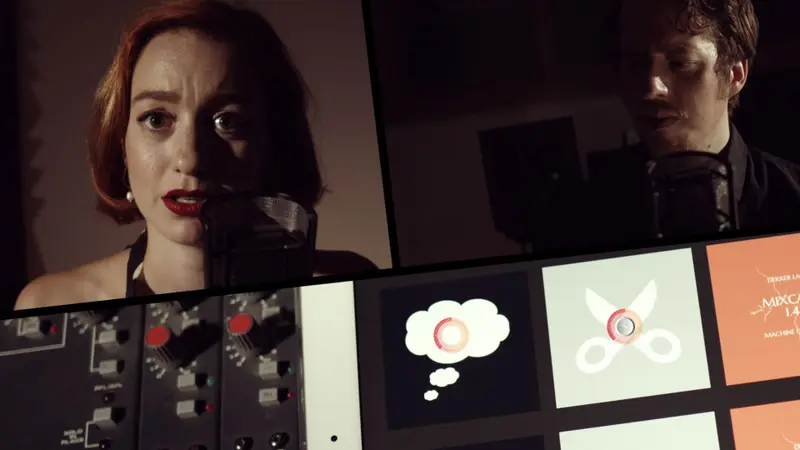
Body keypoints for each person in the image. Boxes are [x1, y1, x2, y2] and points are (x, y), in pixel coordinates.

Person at [16, 0, 378, 310]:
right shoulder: (48, 305)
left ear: (272, 144)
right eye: (156, 119)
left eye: (227, 121)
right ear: (120, 145)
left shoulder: (345, 288)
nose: (189, 159)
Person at [555, 0, 800, 251]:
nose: (651, 89)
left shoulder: (792, 201)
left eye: (679, 63)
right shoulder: (581, 221)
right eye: (636, 63)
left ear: (735, 74)